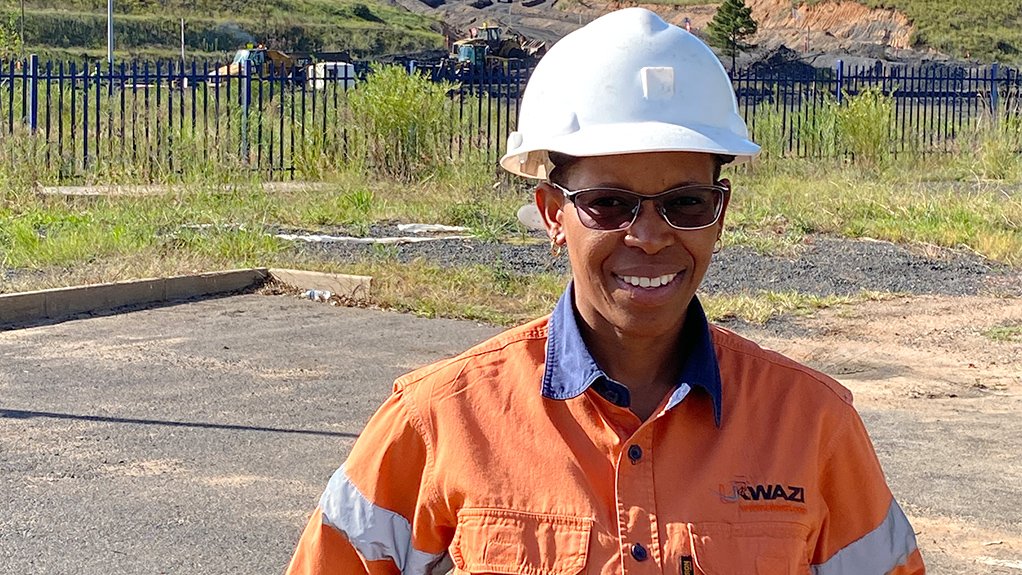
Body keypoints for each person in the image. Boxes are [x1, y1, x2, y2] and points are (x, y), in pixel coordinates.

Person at [286, 8, 925, 575]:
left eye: (686, 202)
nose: (649, 236)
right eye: (609, 202)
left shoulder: (812, 426)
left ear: (720, 213)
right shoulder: (440, 419)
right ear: (551, 213)